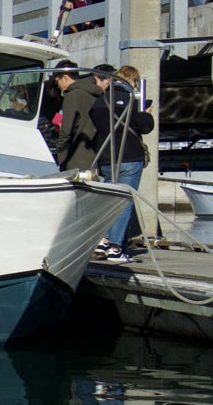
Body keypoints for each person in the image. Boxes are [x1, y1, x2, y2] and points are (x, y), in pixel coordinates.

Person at [95, 64, 155, 260]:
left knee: (108, 201)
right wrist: (146, 113)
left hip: (105, 158)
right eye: (135, 82)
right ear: (133, 81)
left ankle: (103, 241)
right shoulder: (132, 100)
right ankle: (115, 248)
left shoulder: (99, 101)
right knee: (123, 202)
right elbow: (145, 127)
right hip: (129, 157)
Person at [53, 63, 102, 172]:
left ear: (65, 78)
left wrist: (60, 151)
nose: (58, 86)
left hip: (75, 157)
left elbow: (67, 129)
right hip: (92, 154)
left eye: (58, 82)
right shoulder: (94, 94)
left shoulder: (72, 95)